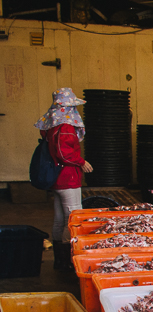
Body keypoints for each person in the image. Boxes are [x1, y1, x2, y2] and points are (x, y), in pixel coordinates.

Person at [34, 88, 93, 271]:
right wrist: (81, 161)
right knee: (73, 218)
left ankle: (59, 260)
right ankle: (69, 259)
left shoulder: (52, 126)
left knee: (60, 218)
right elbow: (64, 153)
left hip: (57, 179)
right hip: (68, 178)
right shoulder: (65, 127)